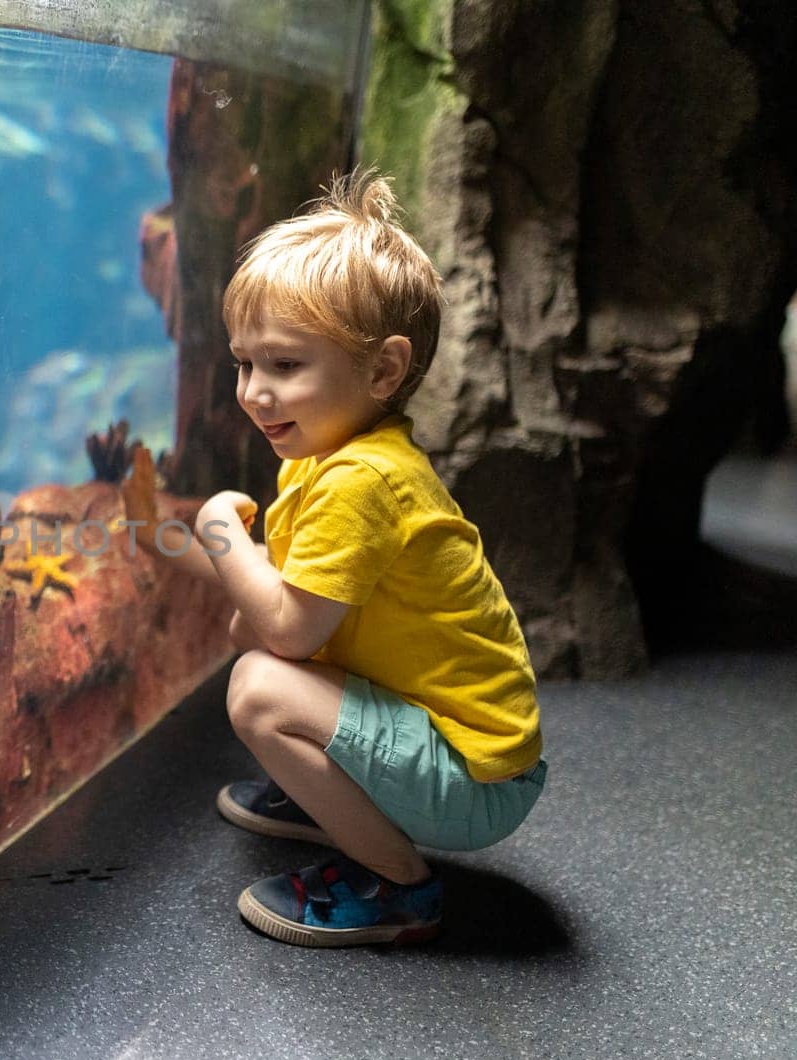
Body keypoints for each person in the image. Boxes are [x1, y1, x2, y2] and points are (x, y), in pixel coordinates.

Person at [152, 170, 545, 947]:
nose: (254, 393)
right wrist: (179, 544)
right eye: (244, 364)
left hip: (477, 776)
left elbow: (288, 630)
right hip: (456, 742)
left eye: (285, 365)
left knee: (260, 691)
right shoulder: (331, 453)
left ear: (383, 370)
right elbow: (287, 582)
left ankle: (396, 884)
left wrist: (220, 534)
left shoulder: (363, 482)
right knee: (264, 669)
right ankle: (331, 795)